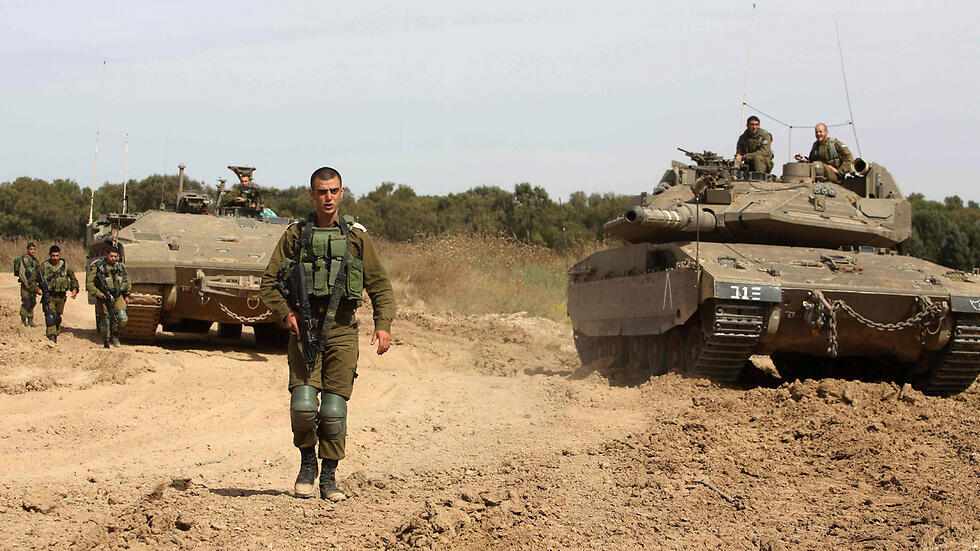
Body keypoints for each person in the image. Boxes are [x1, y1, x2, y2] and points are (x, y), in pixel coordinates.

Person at [259, 166, 396, 501]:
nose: (328, 197)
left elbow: (379, 285)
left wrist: (383, 324)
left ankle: (329, 477)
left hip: (342, 330)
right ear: (312, 194)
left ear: (342, 192)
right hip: (305, 330)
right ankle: (307, 464)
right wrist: (285, 314)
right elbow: (268, 284)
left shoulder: (356, 237)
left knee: (334, 409)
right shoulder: (295, 235)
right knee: (304, 405)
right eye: (322, 191)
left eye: (333, 191)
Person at [86, 245, 131, 348]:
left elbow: (127, 281)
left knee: (122, 318)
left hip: (117, 295)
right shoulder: (98, 267)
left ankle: (115, 335)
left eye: (115, 256)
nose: (113, 258)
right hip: (103, 297)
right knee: (105, 322)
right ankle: (106, 339)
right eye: (111, 256)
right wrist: (98, 293)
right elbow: (90, 284)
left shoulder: (120, 266)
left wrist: (127, 295)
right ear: (107, 255)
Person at [35, 245, 79, 343]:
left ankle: (55, 330)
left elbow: (73, 278)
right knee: (50, 316)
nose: (55, 258)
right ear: (49, 255)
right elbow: (33, 279)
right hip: (49, 295)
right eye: (53, 256)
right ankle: (52, 338)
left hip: (61, 296)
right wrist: (37, 289)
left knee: (57, 317)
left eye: (57, 256)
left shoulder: (65, 266)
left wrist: (75, 288)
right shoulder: (44, 266)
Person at [13, 242, 40, 326]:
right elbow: (22, 272)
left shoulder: (35, 260)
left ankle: (30, 320)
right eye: (31, 249)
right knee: (26, 301)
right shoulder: (25, 259)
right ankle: (23, 319)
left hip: (33, 285)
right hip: (25, 285)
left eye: (33, 249)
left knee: (32, 302)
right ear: (28, 250)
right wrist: (25, 283)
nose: (32, 251)